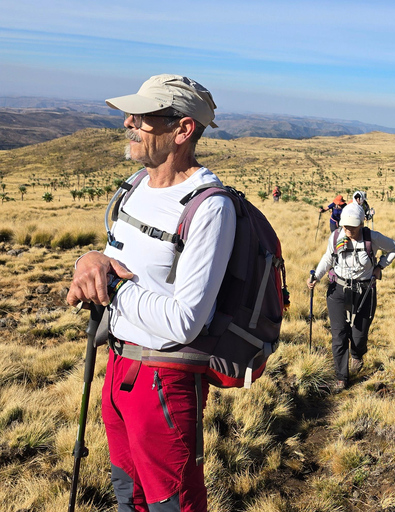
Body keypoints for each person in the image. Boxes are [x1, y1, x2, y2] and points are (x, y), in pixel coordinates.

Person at [66, 74, 235, 512]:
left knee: (169, 503)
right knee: (128, 493)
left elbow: (185, 320)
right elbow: (112, 260)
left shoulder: (210, 206)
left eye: (143, 117)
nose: (128, 122)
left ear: (183, 129)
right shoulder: (135, 186)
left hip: (165, 378)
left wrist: (113, 285)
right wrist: (90, 261)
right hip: (118, 364)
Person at [307, 203, 395, 391]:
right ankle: (342, 378)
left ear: (361, 224)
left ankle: (357, 355)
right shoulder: (335, 237)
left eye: (353, 226)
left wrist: (379, 266)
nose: (348, 230)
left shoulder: (372, 238)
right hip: (338, 289)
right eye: (345, 226)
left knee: (359, 334)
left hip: (365, 290)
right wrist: (316, 276)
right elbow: (327, 258)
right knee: (339, 334)